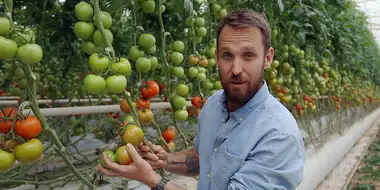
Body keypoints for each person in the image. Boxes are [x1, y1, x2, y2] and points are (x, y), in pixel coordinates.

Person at [98, 8, 305, 190]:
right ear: (216, 57)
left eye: (248, 55)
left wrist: (154, 181)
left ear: (267, 58)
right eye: (227, 55)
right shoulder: (213, 105)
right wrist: (164, 160)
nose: (236, 69)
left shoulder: (279, 135)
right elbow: (201, 159)